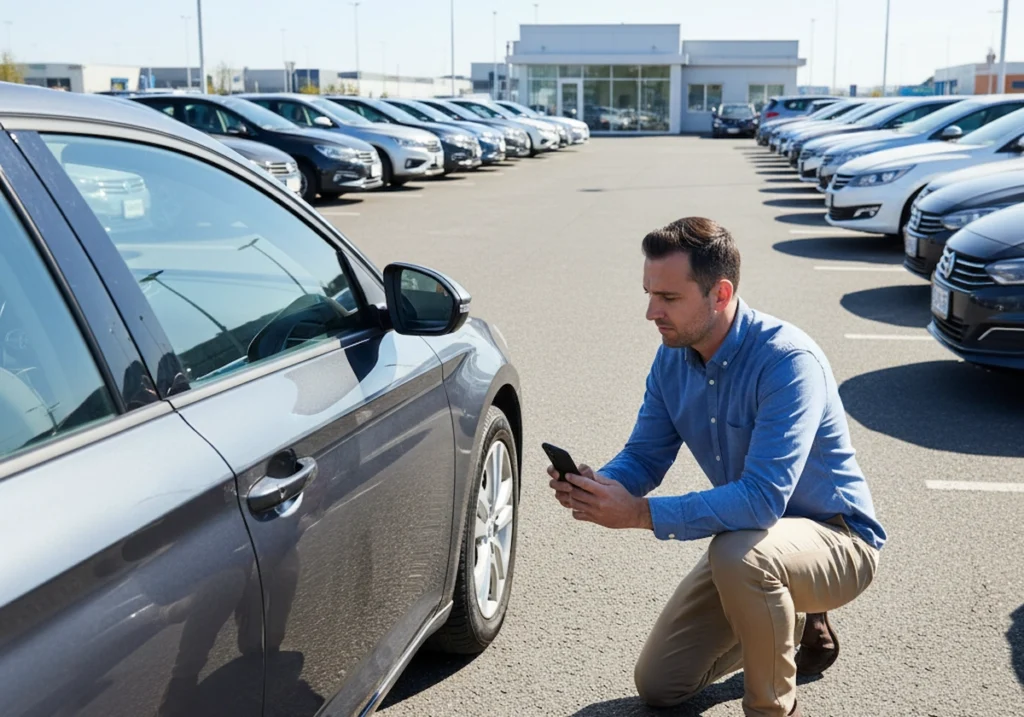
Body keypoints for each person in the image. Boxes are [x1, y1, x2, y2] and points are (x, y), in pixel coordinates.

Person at [547, 217, 885, 717]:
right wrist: (601, 486)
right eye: (648, 293)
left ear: (719, 294)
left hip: (838, 541)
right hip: (753, 541)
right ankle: (783, 621)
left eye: (668, 298)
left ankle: (773, 707)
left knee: (738, 556)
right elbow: (645, 454)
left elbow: (762, 499)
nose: (650, 312)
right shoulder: (672, 359)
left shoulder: (787, 361)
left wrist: (640, 513)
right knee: (661, 685)